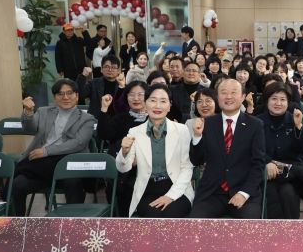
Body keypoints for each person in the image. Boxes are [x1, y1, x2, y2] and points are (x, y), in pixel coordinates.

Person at [10, 79, 95, 216]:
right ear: (55, 97)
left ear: (77, 96)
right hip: (40, 171)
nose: (65, 97)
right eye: (60, 94)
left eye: (69, 93)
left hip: (67, 166)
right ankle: (15, 222)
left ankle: (73, 223)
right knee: (18, 184)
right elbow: (30, 129)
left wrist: (47, 151)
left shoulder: (87, 119)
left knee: (73, 182)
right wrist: (28, 112)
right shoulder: (44, 112)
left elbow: (78, 143)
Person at [188, 79, 266, 218]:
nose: (228, 97)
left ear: (243, 97)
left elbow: (258, 164)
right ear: (218, 97)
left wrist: (244, 194)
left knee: (249, 226)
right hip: (212, 193)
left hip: (243, 191)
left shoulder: (255, 125)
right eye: (223, 93)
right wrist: (197, 136)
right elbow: (197, 160)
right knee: (196, 223)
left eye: (233, 92)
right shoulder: (208, 124)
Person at [116, 84, 194, 217]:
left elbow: (187, 168)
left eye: (163, 101)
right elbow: (123, 168)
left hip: (177, 186)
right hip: (147, 188)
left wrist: (170, 196)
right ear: (145, 104)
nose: (157, 106)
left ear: (169, 106)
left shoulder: (182, 130)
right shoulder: (135, 132)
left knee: (170, 213)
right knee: (151, 214)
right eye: (152, 100)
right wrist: (124, 152)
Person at [256, 83, 303, 219]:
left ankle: (291, 230)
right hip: (267, 173)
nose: (278, 103)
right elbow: (253, 149)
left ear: (288, 102)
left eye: (282, 99)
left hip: (290, 176)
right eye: (274, 99)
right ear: (267, 100)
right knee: (271, 194)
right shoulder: (257, 122)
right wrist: (267, 162)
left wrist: (299, 126)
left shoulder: (294, 119)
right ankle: (273, 232)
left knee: (288, 193)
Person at [97, 81, 149, 215]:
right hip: (123, 167)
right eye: (131, 95)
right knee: (120, 184)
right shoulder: (121, 118)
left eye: (140, 95)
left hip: (147, 167)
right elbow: (103, 134)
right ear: (126, 98)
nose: (136, 98)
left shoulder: (154, 119)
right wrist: (104, 109)